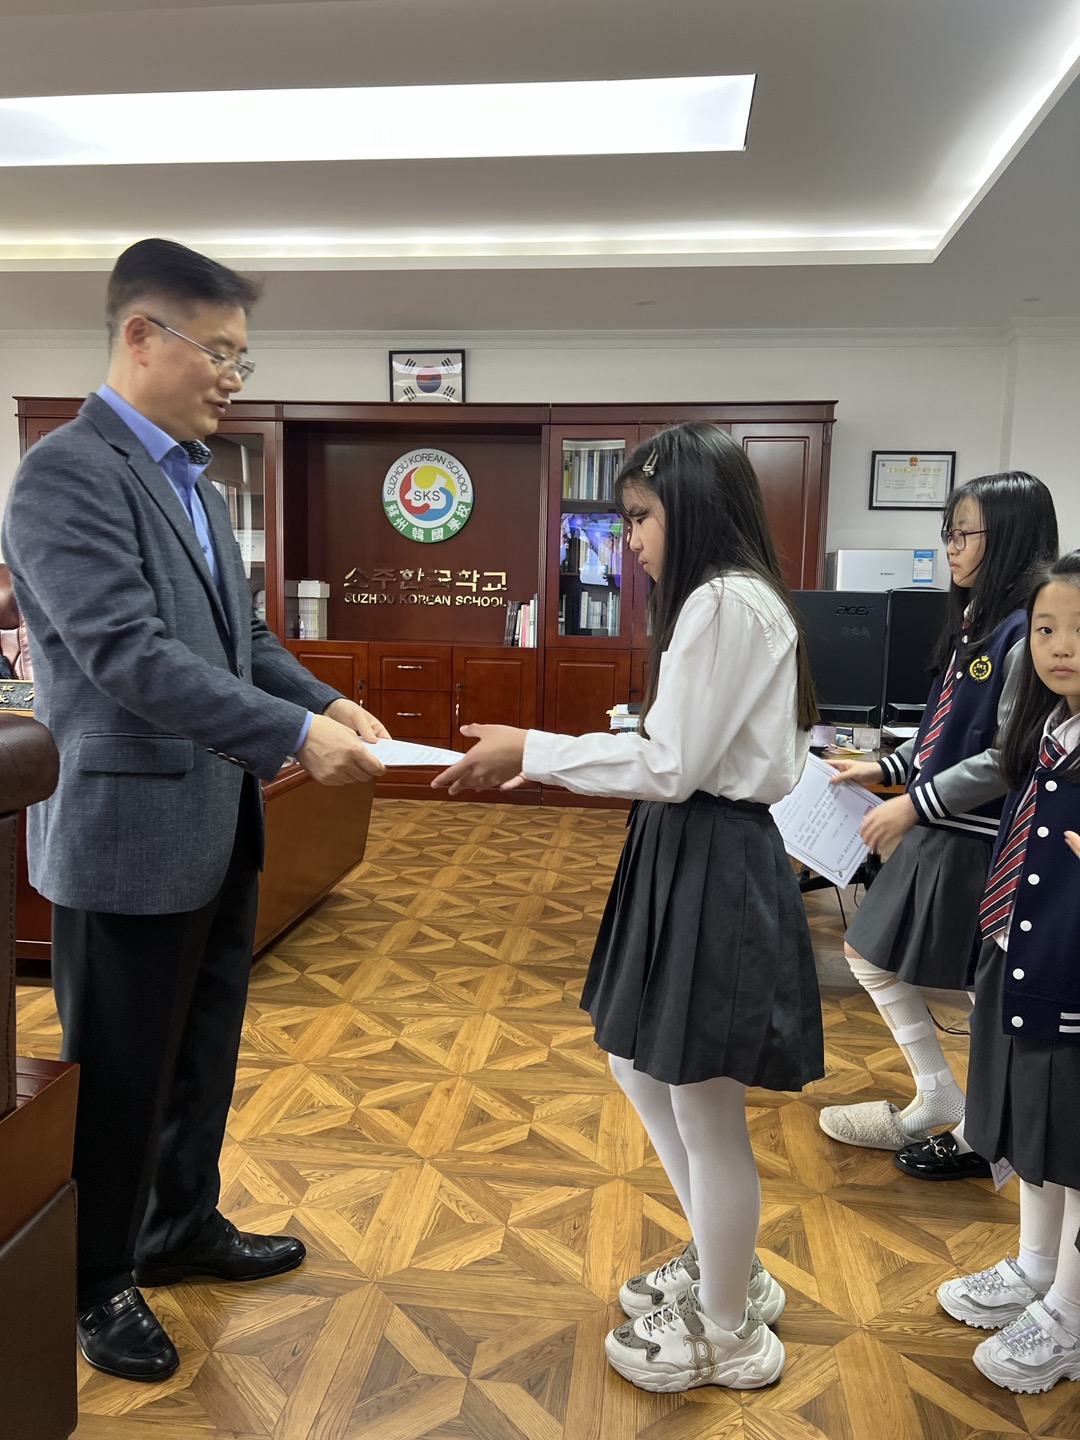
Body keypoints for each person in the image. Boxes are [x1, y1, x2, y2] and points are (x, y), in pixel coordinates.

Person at [2, 238, 389, 1383]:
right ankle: (96, 1279)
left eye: (241, 356)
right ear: (140, 336)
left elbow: (243, 640)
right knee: (121, 1071)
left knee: (201, 1051)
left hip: (216, 822)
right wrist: (295, 740)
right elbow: (127, 653)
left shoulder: (197, 485)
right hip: (125, 836)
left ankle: (179, 1225)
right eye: (217, 351)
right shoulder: (67, 473)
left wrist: (327, 701)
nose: (233, 376)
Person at [432, 422, 823, 1394]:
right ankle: (722, 1261)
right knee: (639, 1064)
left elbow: (672, 764)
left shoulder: (725, 602)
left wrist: (531, 749)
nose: (632, 539)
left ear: (692, 510)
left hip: (713, 856)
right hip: (685, 848)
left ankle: (729, 1328)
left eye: (643, 517)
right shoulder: (721, 601)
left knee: (702, 1102)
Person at [817, 473, 1058, 1179]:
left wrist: (914, 803)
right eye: (947, 532)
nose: (949, 547)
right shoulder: (976, 621)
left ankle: (992, 1132)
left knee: (986, 989)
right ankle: (944, 1097)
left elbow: (1008, 755)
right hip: (943, 825)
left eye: (962, 533)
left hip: (979, 838)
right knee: (872, 954)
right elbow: (942, 731)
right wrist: (885, 768)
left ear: (1007, 536)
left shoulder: (1025, 633)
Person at [937, 551, 1080, 1393]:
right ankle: (1036, 1267)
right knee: (1034, 1130)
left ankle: (1070, 1312)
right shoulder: (1050, 730)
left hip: (1070, 978)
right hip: (1021, 959)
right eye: (1048, 628)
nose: (1060, 647)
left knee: (1073, 1144)